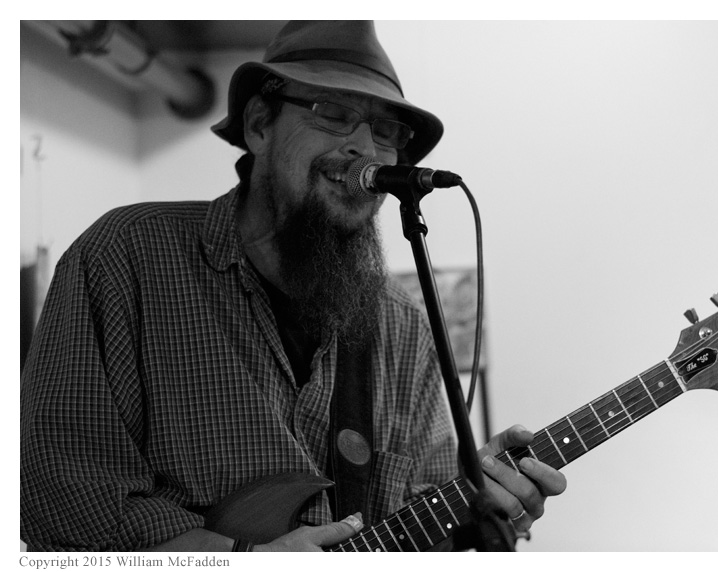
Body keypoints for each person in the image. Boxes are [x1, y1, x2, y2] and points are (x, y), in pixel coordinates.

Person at [20, 20, 566, 552]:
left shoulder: (401, 324)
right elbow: (58, 499)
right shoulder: (127, 257)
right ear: (260, 124)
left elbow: (415, 527)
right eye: (334, 114)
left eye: (386, 132)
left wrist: (476, 505)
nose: (365, 148)